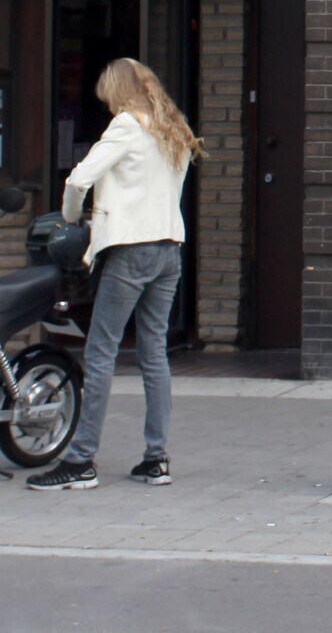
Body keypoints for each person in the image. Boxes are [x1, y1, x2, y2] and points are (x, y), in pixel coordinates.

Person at [28, 57, 202, 491]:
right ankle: (156, 459)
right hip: (169, 249)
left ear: (117, 91)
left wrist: (71, 220)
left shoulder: (127, 125)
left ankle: (81, 460)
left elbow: (78, 179)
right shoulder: (173, 129)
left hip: (130, 249)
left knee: (102, 352)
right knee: (154, 354)